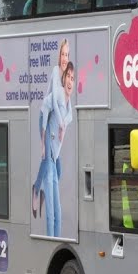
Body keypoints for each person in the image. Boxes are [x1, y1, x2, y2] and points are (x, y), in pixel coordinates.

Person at [36, 60, 75, 236]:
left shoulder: (69, 106)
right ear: (63, 78)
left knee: (57, 210)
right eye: (68, 76)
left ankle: (56, 240)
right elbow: (44, 108)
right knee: (52, 211)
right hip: (49, 150)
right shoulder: (57, 95)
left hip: (54, 155)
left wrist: (63, 126)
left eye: (73, 78)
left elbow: (68, 119)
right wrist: (43, 143)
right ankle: (51, 243)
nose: (70, 81)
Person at [32, 39, 71, 218]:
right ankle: (38, 190)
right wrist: (43, 141)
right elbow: (55, 101)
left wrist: (65, 121)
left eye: (67, 55)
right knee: (48, 159)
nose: (65, 58)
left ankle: (38, 188)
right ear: (59, 56)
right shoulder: (57, 71)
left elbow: (68, 109)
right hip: (46, 117)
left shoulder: (66, 76)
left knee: (55, 166)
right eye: (63, 54)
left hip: (55, 122)